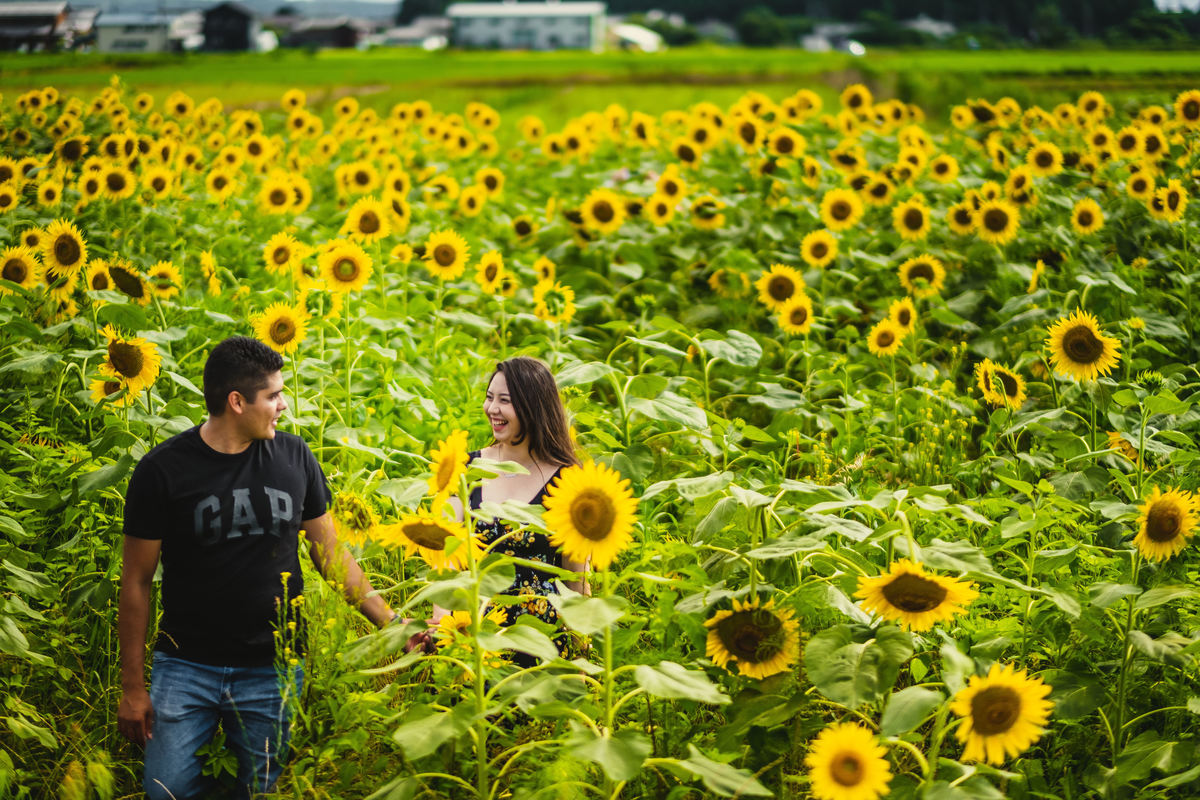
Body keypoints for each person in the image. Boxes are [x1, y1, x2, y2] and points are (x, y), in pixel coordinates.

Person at [117, 336, 418, 799]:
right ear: (236, 402)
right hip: (186, 668)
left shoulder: (295, 458)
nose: (283, 405)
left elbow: (332, 558)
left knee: (259, 791)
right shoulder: (163, 471)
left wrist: (394, 625)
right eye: (274, 395)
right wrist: (133, 689)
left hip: (272, 669)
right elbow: (135, 582)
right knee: (166, 791)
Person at [439, 356, 590, 661]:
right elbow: (446, 559)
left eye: (504, 400)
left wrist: (580, 653)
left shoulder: (568, 479)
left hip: (544, 645)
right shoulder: (466, 469)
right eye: (489, 397)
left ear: (533, 407)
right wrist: (445, 627)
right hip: (476, 641)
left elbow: (577, 578)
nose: (492, 408)